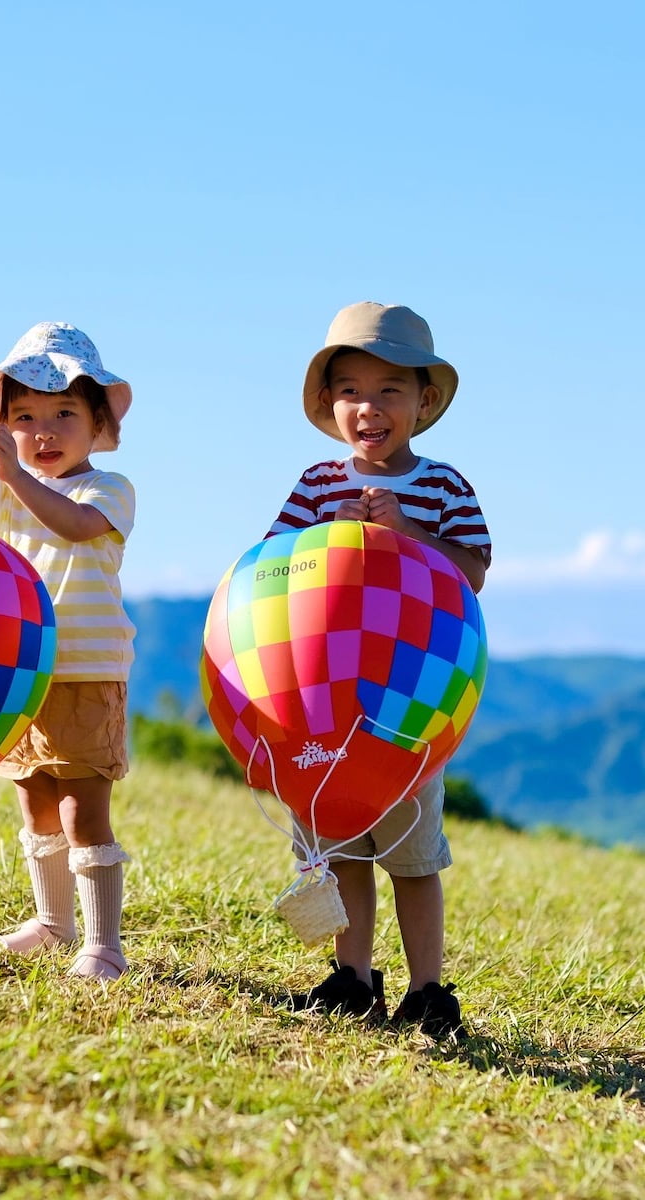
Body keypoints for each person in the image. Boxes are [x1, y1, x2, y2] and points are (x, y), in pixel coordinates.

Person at [267, 301, 491, 1037]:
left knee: (412, 853)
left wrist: (410, 534)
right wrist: (332, 537)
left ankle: (429, 990)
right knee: (342, 846)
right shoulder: (314, 486)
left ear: (424, 402)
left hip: (408, 701)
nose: (369, 406)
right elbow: (271, 573)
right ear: (330, 404)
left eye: (391, 389)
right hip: (324, 701)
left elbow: (473, 571)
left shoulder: (444, 486)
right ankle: (353, 977)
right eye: (351, 389)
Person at [0, 321, 136, 981]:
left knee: (83, 809)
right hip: (21, 674)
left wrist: (14, 472)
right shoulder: (6, 490)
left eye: (63, 414)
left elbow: (72, 525)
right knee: (35, 798)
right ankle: (53, 923)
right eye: (23, 416)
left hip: (84, 673)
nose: (43, 431)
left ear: (97, 423)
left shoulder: (105, 491)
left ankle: (104, 943)